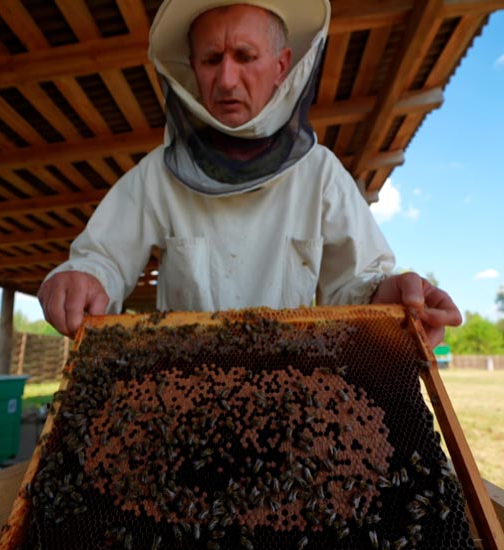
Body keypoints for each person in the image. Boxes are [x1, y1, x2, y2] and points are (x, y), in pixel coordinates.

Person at [38, 0, 461, 344]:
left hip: (294, 395)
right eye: (210, 59)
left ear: (281, 66)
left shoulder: (320, 174)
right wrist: (81, 279)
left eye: (245, 56)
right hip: (184, 394)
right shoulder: (158, 176)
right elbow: (103, 259)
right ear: (191, 68)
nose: (225, 79)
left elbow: (359, 285)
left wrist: (398, 297)